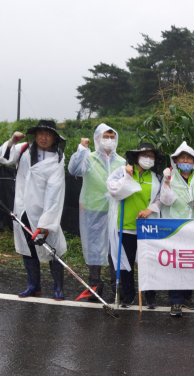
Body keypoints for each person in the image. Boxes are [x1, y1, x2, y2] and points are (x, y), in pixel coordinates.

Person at [0, 120, 67, 300]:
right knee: (28, 248)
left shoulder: (58, 157)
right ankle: (33, 285)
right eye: (40, 133)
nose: (44, 137)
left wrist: (46, 222)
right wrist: (11, 141)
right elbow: (3, 157)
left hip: (45, 211)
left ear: (55, 137)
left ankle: (58, 287)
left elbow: (54, 191)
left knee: (52, 249)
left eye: (48, 134)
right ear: (35, 135)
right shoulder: (24, 149)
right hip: (22, 208)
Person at [68, 123, 126, 303]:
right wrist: (82, 149)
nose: (109, 141)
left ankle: (116, 285)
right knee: (94, 247)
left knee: (114, 247)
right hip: (93, 209)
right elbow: (74, 170)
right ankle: (95, 285)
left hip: (114, 211)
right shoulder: (89, 157)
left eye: (112, 137)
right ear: (97, 138)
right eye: (105, 137)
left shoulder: (122, 162)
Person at [106, 142, 164, 308]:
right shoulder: (121, 172)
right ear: (137, 156)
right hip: (125, 224)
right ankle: (129, 295)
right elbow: (114, 191)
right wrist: (127, 177)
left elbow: (160, 199)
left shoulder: (155, 178)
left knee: (149, 262)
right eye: (145, 155)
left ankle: (150, 297)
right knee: (126, 263)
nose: (148, 159)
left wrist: (149, 209)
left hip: (147, 226)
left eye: (151, 156)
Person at [160, 141, 194, 316]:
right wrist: (166, 181)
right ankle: (176, 301)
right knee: (176, 263)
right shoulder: (170, 177)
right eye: (182, 157)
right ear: (176, 160)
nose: (185, 160)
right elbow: (166, 200)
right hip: (175, 227)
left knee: (191, 262)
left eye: (189, 157)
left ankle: (187, 297)